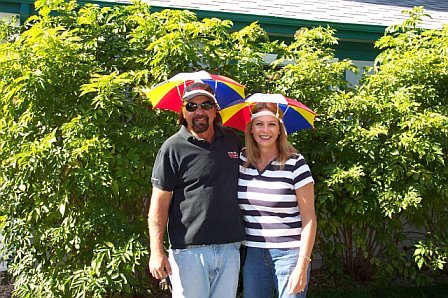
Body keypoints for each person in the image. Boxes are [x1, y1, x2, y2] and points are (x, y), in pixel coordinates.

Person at [147, 81, 245, 298]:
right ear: (183, 112)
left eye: (206, 104)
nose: (199, 111)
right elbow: (159, 203)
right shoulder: (172, 148)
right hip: (188, 251)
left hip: (229, 248)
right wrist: (157, 250)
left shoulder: (232, 141)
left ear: (215, 110)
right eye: (191, 106)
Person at [238, 101, 317, 298]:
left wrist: (302, 263)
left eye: (272, 124)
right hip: (254, 253)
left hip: (290, 254)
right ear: (251, 128)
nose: (265, 130)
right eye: (259, 124)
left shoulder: (295, 163)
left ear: (280, 129)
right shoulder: (242, 160)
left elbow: (309, 219)